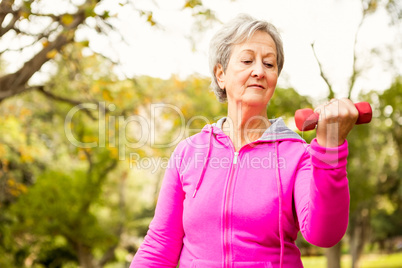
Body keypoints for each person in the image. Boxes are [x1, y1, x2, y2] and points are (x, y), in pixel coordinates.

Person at [130, 14, 359, 268]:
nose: (259, 71)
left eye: (269, 64)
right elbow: (160, 244)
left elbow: (324, 235)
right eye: (247, 60)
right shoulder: (188, 153)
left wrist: (330, 148)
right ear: (221, 75)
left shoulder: (298, 155)